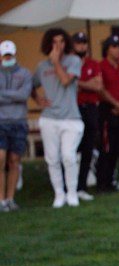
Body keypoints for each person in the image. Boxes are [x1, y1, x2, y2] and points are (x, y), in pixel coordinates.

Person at [31, 28, 84, 208]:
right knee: (52, 158)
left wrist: (56, 63)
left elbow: (65, 81)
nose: (58, 46)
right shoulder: (41, 67)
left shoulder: (74, 60)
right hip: (49, 118)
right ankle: (59, 194)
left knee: (68, 156)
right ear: (48, 44)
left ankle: (72, 193)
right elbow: (30, 84)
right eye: (54, 42)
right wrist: (37, 99)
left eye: (62, 41)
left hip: (71, 118)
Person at [96, 35, 119, 192]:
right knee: (107, 147)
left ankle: (113, 179)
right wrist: (116, 104)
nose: (118, 50)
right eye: (114, 46)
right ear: (107, 49)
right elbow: (101, 88)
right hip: (107, 110)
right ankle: (102, 181)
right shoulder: (101, 66)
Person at [0, 40, 32, 212]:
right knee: (0, 160)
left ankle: (10, 198)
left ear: (15, 54)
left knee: (14, 161)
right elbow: (18, 95)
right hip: (1, 123)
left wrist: (4, 95)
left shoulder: (25, 73)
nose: (8, 58)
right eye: (5, 55)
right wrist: (15, 95)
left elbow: (24, 95)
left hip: (19, 122)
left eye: (10, 55)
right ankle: (1, 199)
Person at [72, 31, 102, 201]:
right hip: (73, 109)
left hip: (90, 107)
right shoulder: (68, 63)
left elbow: (97, 85)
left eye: (84, 43)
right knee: (71, 149)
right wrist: (87, 84)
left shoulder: (93, 64)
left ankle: (82, 186)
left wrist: (80, 84)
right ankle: (70, 186)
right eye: (78, 43)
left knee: (88, 147)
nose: (82, 46)